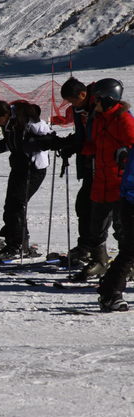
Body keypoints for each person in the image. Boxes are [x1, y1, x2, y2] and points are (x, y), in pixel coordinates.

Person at [70, 78, 134, 283]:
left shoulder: (123, 119)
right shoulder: (97, 118)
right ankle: (100, 261)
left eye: (97, 98)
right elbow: (95, 144)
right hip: (100, 179)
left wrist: (124, 153)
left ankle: (128, 264)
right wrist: (79, 149)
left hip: (119, 182)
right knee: (95, 224)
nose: (93, 102)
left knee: (121, 226)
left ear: (108, 98)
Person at [0, 100, 51, 262]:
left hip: (33, 168)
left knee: (16, 205)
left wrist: (36, 144)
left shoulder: (27, 120)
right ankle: (17, 241)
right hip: (19, 167)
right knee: (11, 205)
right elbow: (11, 143)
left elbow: (47, 136)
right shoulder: (9, 122)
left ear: (6, 114)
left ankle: (17, 244)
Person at [96, 81, 134, 310]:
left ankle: (109, 290)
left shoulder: (125, 122)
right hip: (130, 197)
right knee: (130, 249)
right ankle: (110, 293)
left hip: (125, 192)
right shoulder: (120, 122)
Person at [58, 77, 97, 265]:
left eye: (73, 101)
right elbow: (81, 136)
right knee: (83, 205)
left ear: (82, 94)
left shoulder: (99, 106)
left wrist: (82, 148)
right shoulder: (78, 109)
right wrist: (71, 146)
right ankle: (85, 246)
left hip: (105, 166)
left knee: (101, 211)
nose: (72, 105)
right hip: (89, 164)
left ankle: (96, 250)